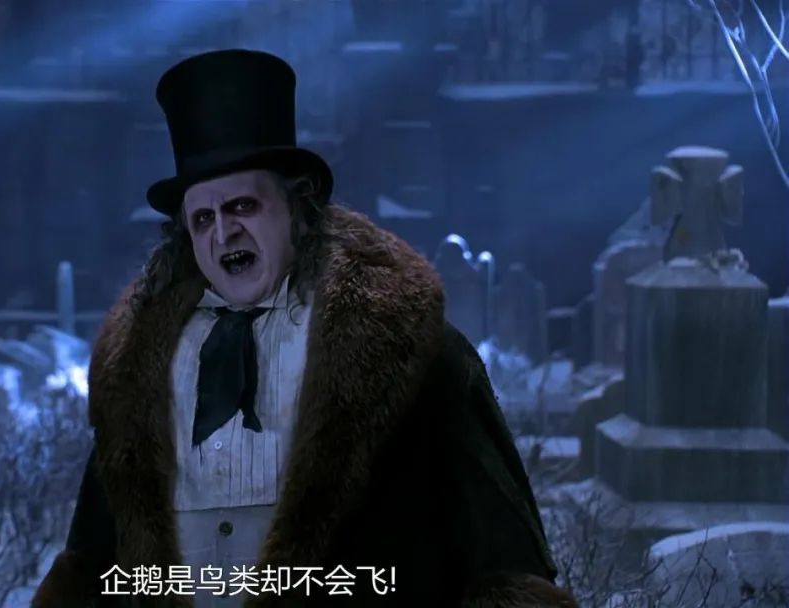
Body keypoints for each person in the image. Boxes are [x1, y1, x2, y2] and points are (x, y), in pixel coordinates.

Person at [33, 49, 577, 607]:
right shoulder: (137, 370)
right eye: (203, 218)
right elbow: (91, 562)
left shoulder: (420, 355)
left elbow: (505, 561)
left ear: (298, 209)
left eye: (243, 206)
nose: (223, 233)